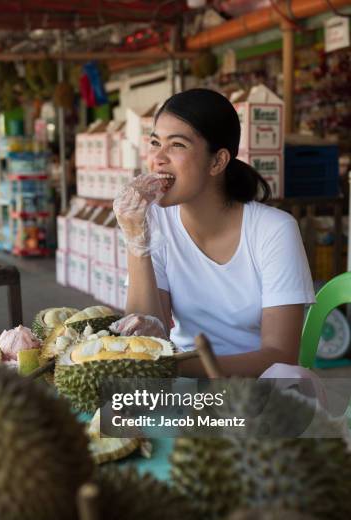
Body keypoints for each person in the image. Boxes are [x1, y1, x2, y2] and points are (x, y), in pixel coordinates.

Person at [112, 89, 316, 378]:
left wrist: (170, 366)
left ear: (217, 162)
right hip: (183, 384)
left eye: (177, 145)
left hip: (256, 389)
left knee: (292, 378)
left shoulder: (274, 230)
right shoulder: (155, 221)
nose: (157, 158)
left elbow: (280, 356)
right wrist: (136, 239)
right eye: (155, 142)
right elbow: (147, 333)